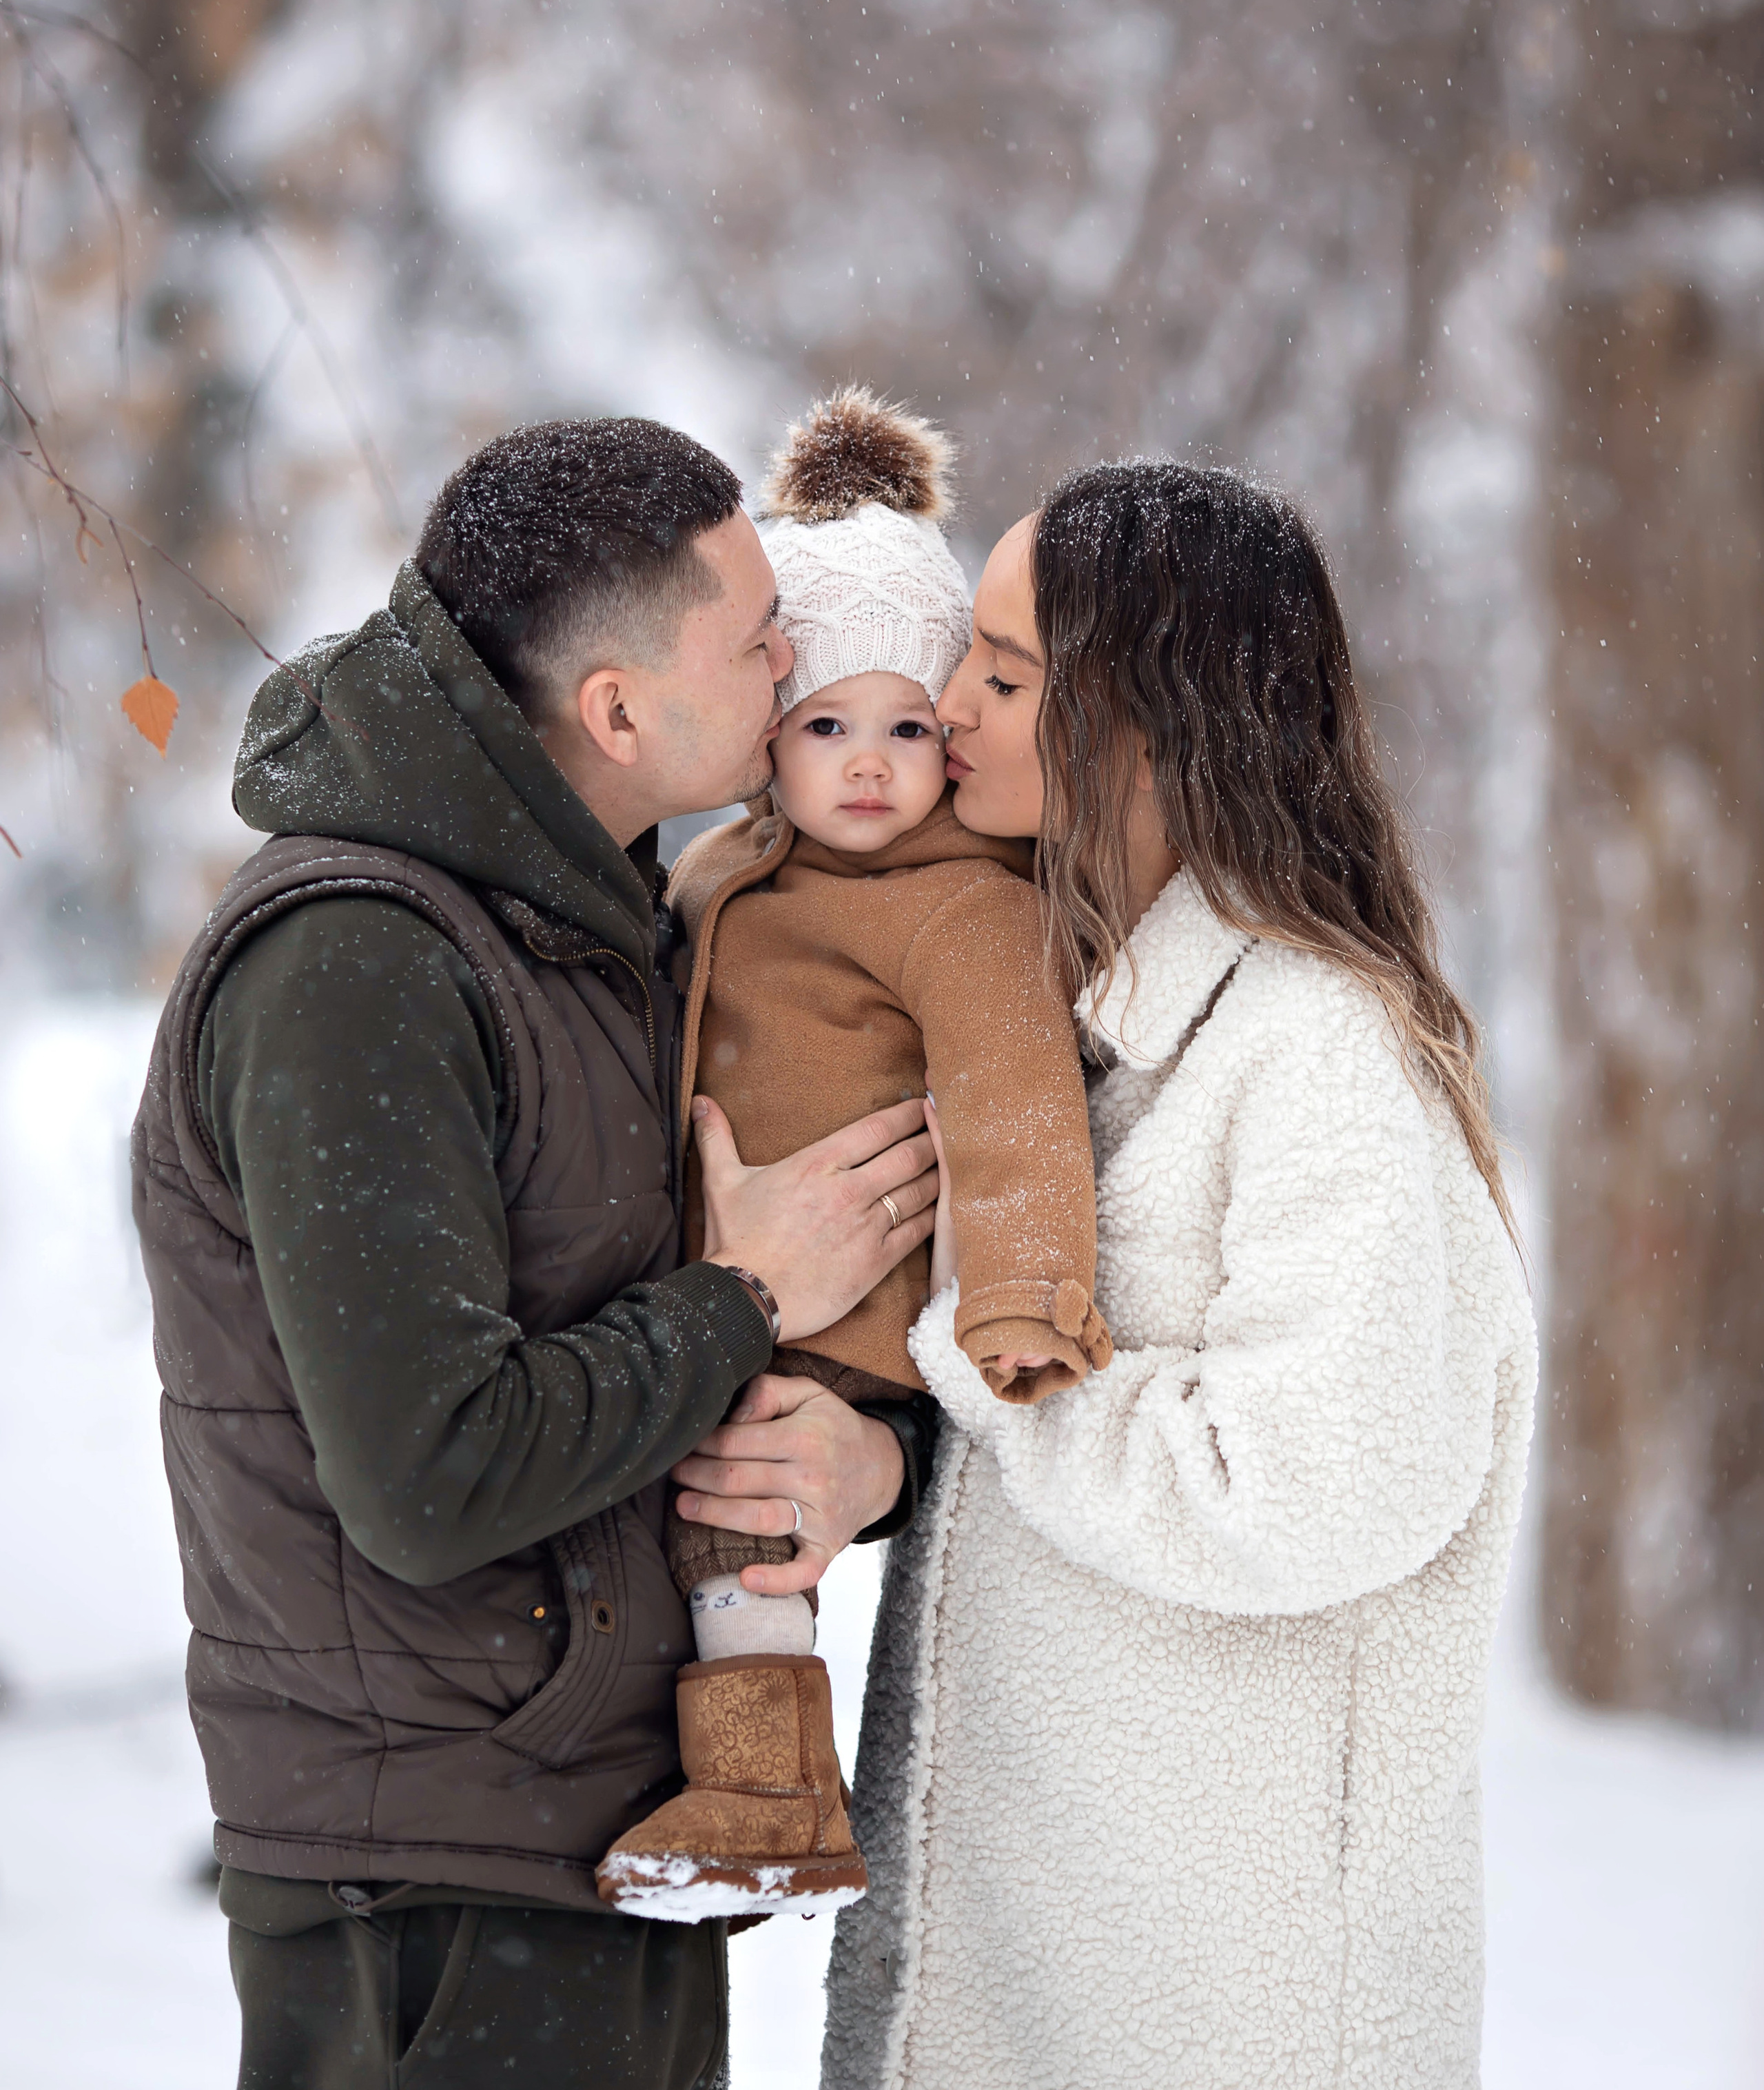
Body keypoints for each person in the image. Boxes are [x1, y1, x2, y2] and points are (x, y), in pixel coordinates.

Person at [130, 416, 943, 2090]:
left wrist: (866, 1449)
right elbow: (432, 1473)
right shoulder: (355, 963)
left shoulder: (604, 932)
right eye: (757, 634)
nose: (796, 658)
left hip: (587, 1849)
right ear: (617, 708)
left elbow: (659, 1362)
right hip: (422, 1897)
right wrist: (744, 1297)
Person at [822, 460, 1538, 2090]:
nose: (947, 708)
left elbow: (1309, 1483)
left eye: (1003, 676)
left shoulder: (1315, 1051)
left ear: (1150, 721)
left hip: (1233, 2009)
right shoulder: (1079, 1028)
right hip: (1065, 1971)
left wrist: (983, 1349)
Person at [598, 390, 1107, 1922]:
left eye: (907, 726)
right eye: (828, 725)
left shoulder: (963, 905)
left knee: (748, 1529)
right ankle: (750, 1795)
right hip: (721, 1291)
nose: (872, 765)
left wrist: (1024, 1294)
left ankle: (766, 1807)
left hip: (842, 1315)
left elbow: (1016, 1106)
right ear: (772, 737)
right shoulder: (721, 870)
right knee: (695, 1527)